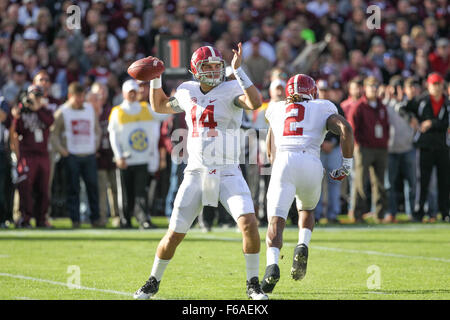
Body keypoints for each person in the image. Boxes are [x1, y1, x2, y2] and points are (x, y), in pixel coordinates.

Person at [134, 44, 268, 300]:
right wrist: (155, 79)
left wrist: (238, 71)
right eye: (208, 66)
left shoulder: (231, 88)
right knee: (174, 234)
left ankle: (253, 283)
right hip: (196, 172)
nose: (214, 70)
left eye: (218, 66)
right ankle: (153, 280)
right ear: (196, 69)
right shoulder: (187, 90)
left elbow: (255, 102)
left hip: (229, 170)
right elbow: (160, 106)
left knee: (249, 224)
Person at [261, 74, 354, 294]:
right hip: (311, 161)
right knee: (307, 209)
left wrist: (276, 166)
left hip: (284, 160)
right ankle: (303, 244)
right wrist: (346, 164)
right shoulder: (322, 106)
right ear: (312, 92)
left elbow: (269, 147)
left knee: (276, 220)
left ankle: (271, 265)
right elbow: (345, 129)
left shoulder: (275, 108)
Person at [108, 79, 163, 229]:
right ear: (124, 94)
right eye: (130, 92)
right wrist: (118, 156)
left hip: (142, 159)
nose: (133, 95)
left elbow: (163, 115)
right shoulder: (117, 111)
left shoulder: (145, 108)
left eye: (135, 92)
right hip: (126, 159)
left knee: (141, 192)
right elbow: (113, 136)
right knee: (125, 193)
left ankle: (143, 219)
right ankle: (125, 219)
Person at [50, 82, 102, 228]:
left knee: (93, 187)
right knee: (73, 188)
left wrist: (95, 145)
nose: (80, 99)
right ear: (70, 96)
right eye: (77, 97)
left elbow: (97, 129)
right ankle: (75, 219)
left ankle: (95, 218)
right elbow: (54, 134)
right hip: (72, 154)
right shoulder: (63, 111)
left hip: (89, 154)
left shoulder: (89, 109)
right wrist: (62, 150)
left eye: (82, 96)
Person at [405, 73, 449, 222]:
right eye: (434, 84)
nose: (436, 88)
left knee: (444, 181)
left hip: (443, 145)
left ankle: (445, 212)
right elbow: (403, 107)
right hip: (425, 146)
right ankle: (418, 212)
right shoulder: (421, 100)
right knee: (422, 180)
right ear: (428, 86)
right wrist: (411, 119)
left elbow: (446, 123)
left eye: (438, 84)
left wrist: (431, 123)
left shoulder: (447, 102)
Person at [348, 76, 390, 223]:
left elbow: (386, 127)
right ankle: (358, 214)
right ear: (365, 88)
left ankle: (380, 214)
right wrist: (358, 145)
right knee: (360, 181)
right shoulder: (359, 106)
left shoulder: (381, 106)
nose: (373, 89)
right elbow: (352, 127)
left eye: (375, 86)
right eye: (371, 86)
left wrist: (385, 142)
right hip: (364, 148)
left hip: (380, 148)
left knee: (379, 183)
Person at [13, 85, 54, 228]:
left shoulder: (45, 110)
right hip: (28, 154)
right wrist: (19, 112)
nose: (36, 98)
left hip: (42, 154)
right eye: (33, 95)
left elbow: (49, 122)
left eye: (38, 95)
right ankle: (25, 218)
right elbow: (17, 130)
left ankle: (41, 219)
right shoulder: (22, 110)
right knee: (25, 187)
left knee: (43, 189)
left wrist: (38, 109)